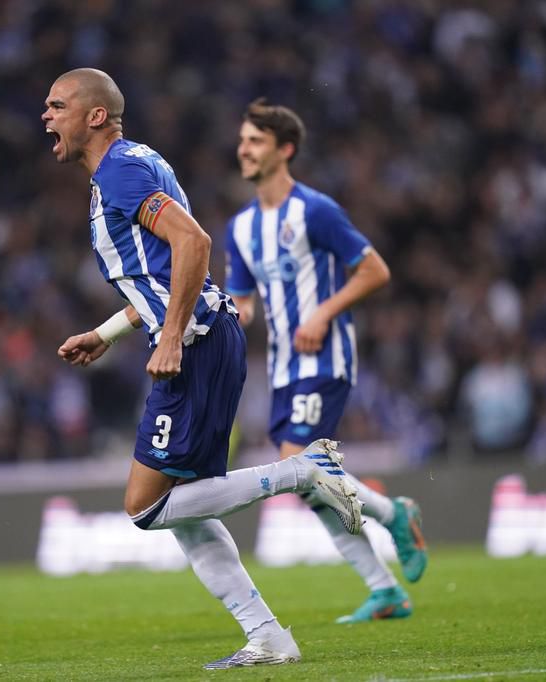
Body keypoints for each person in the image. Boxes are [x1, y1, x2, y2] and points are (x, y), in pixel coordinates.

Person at [42, 68, 363, 669]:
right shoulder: (134, 164)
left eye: (57, 105)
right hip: (204, 335)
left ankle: (304, 472)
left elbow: (194, 244)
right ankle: (268, 635)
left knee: (145, 506)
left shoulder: (120, 171)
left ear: (93, 116)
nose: (46, 116)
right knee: (186, 507)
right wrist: (109, 331)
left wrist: (168, 338)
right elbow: (165, 270)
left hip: (193, 344)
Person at [224, 99, 428, 624]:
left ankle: (392, 515)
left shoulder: (315, 210)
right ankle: (385, 588)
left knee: (303, 466)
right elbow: (244, 301)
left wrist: (322, 314)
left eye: (255, 141)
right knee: (311, 486)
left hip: (326, 356)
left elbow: (374, 270)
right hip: (283, 367)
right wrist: (227, 321)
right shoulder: (240, 228)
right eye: (243, 140)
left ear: (285, 150)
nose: (243, 149)